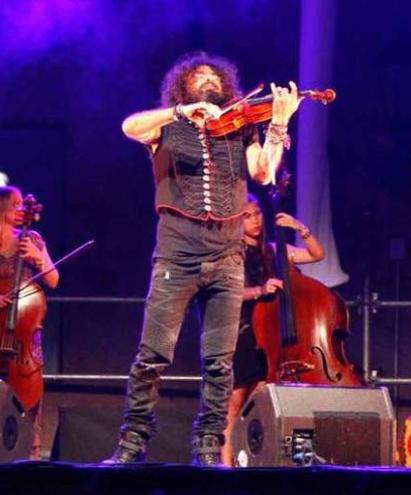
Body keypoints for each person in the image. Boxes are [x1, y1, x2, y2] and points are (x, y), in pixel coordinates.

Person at [104, 51, 302, 466]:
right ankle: (132, 442)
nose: (208, 79)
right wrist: (179, 112)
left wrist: (278, 124)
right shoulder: (167, 128)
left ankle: (210, 446)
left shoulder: (240, 129)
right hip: (177, 254)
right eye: (199, 75)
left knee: (220, 361)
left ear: (227, 86)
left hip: (227, 257)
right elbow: (128, 127)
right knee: (153, 354)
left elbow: (264, 173)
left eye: (215, 75)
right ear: (183, 86)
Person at [221, 194, 324, 466]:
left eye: (257, 214)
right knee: (235, 403)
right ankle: (224, 468)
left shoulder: (274, 249)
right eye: (246, 216)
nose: (254, 220)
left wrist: (299, 227)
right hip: (243, 333)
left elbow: (317, 254)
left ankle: (269, 463)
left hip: (273, 337)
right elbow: (227, 293)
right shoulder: (231, 254)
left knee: (268, 402)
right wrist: (260, 290)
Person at [0, 185, 59, 460]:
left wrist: (37, 257)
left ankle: (28, 464)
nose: (21, 208)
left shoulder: (31, 238)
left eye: (23, 204)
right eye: (16, 203)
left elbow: (54, 279)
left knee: (25, 413)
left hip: (23, 348)